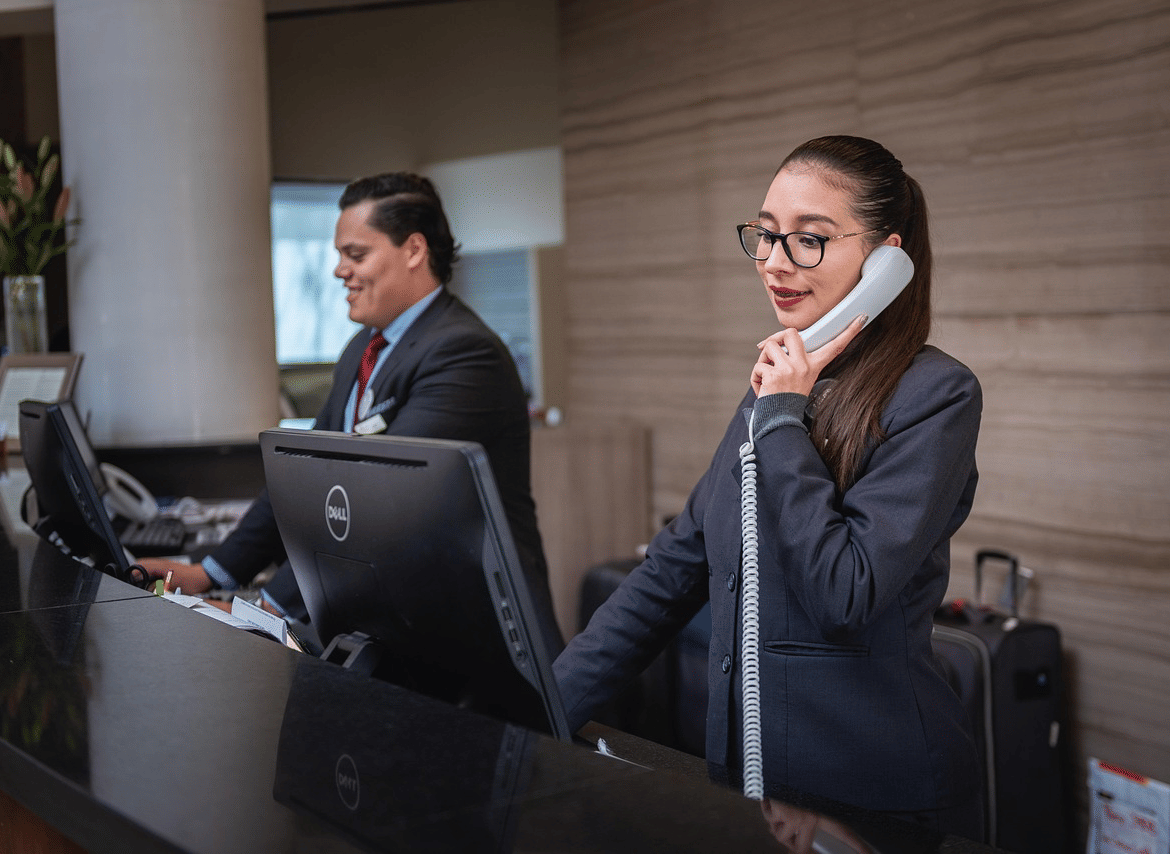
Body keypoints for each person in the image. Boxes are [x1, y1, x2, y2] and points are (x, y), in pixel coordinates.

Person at [553, 136, 984, 838]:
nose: (775, 264)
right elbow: (671, 571)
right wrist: (540, 707)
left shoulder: (934, 396)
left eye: (808, 241)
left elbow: (847, 593)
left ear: (886, 261)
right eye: (767, 235)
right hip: (747, 788)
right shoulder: (778, 384)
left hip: (869, 799)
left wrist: (782, 414)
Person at [141, 172, 559, 651]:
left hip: (475, 644)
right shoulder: (363, 348)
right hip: (395, 628)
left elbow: (375, 505)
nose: (340, 270)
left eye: (356, 254)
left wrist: (265, 611)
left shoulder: (463, 354)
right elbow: (304, 479)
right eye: (340, 254)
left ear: (414, 251)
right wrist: (209, 573)